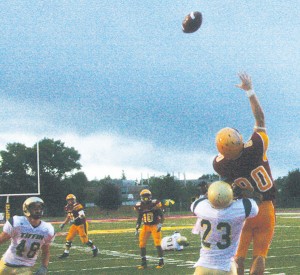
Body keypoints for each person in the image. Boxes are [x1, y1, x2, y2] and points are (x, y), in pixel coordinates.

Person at [213, 72, 276, 275]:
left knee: (238, 256)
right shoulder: (255, 147)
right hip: (265, 208)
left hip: (243, 210)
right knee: (260, 255)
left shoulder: (221, 165)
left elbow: (224, 189)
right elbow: (260, 119)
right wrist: (249, 90)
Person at [191, 181, 259, 275]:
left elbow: (197, 203)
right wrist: (242, 193)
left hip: (202, 267)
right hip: (225, 267)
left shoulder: (201, 208)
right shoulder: (236, 211)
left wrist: (211, 192)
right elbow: (255, 204)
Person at [0, 197, 55, 275]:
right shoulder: (17, 223)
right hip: (6, 263)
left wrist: (44, 267)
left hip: (25, 268)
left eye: (39, 207)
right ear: (26, 209)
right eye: (34, 208)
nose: (38, 210)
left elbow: (45, 251)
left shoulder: (47, 229)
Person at [58, 194, 98, 259]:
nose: (70, 201)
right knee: (69, 238)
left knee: (85, 240)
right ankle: (66, 253)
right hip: (75, 225)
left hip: (81, 224)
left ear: (74, 200)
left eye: (71, 200)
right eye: (69, 200)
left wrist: (74, 220)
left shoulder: (78, 206)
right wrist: (64, 224)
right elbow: (68, 217)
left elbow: (82, 215)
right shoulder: (67, 207)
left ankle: (94, 248)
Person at [134, 189, 165, 269]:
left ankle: (161, 262)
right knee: (141, 244)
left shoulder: (155, 204)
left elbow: (162, 216)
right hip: (145, 226)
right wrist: (137, 227)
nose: (145, 198)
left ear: (150, 196)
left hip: (155, 225)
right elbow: (140, 217)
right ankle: (143, 263)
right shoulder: (140, 205)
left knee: (157, 243)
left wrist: (160, 225)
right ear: (141, 197)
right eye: (144, 196)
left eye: (147, 196)